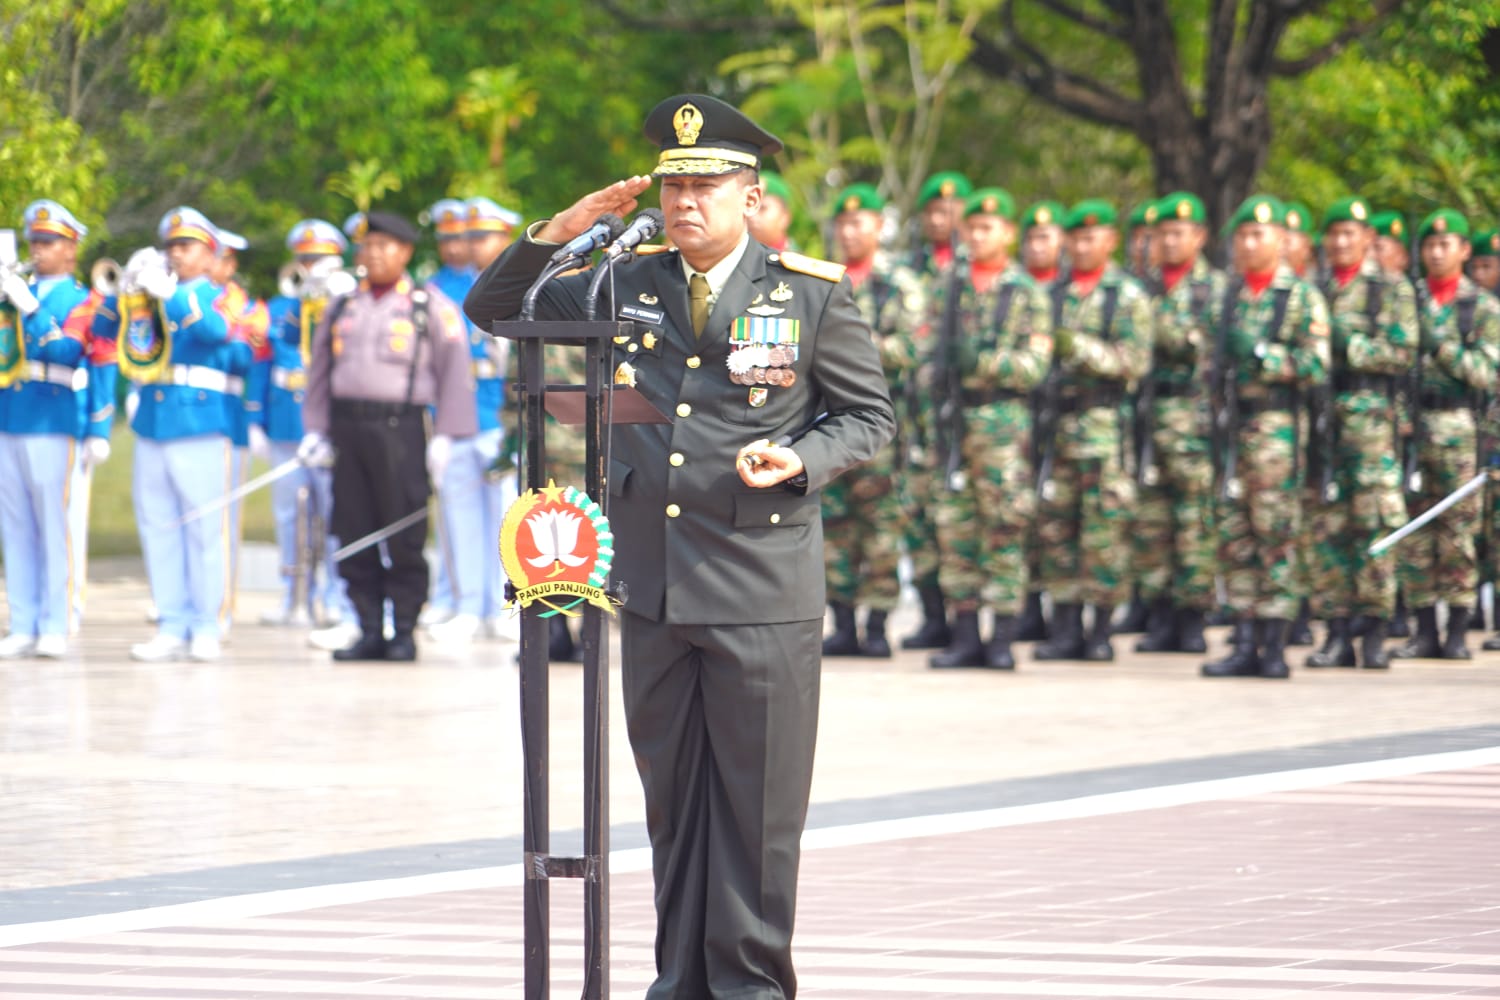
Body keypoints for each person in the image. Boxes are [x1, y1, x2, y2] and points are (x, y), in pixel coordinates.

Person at [463, 93, 895, 1000]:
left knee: (756, 813)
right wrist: (565, 228)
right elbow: (500, 309)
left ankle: (746, 985)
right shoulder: (627, 280)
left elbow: (866, 417)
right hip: (654, 590)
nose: (685, 202)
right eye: (673, 186)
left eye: (706, 184)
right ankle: (680, 983)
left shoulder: (809, 292)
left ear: (752, 195)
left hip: (759, 587)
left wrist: (801, 458)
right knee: (674, 806)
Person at [299, 211, 477, 662]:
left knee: (404, 533)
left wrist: (448, 436)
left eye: (385, 246)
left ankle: (403, 630)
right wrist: (315, 429)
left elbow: (456, 371)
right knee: (353, 529)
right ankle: (367, 628)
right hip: (348, 429)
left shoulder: (427, 305)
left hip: (401, 428)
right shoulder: (343, 305)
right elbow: (320, 371)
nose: (374, 255)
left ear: (405, 252)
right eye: (367, 246)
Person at [100, 207, 237, 662]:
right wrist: (125, 290)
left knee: (203, 529)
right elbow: (103, 332)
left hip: (198, 423)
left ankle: (207, 624)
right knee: (157, 526)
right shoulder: (153, 294)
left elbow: (217, 332)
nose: (176, 254)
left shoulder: (214, 295)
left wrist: (171, 295)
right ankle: (172, 622)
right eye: (171, 246)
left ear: (209, 254)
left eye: (187, 246)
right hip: (155, 423)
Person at [1201, 195, 1330, 680]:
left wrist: (1261, 354)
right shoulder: (1228, 297)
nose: (1249, 244)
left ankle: (1274, 645)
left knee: (1274, 535)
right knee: (1236, 538)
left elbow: (1316, 365)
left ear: (1280, 240)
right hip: (1232, 428)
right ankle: (1245, 639)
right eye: (1242, 237)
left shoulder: (1299, 297)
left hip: (1275, 428)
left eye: (1259, 235)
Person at [926, 187, 1051, 670]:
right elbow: (927, 350)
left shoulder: (1025, 292)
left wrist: (982, 361)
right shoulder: (949, 286)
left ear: (1008, 234)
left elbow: (1035, 365)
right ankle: (963, 634)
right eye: (971, 229)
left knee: (1003, 526)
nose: (978, 237)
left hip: (1004, 423)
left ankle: (1001, 635)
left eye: (988, 229)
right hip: (954, 422)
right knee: (955, 527)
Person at [1031, 199, 1152, 662]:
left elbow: (1133, 361)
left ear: (1110, 240)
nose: (1082, 245)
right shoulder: (1053, 295)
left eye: (1091, 237)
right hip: (1056, 427)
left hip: (1105, 430)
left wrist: (1078, 348)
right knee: (1058, 530)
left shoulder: (1127, 296)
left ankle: (1099, 630)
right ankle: (1064, 628)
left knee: (1104, 532)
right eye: (1075, 238)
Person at [1301, 197, 1418, 670]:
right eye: (1335, 234)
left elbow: (1403, 352)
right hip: (1324, 419)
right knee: (1328, 527)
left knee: (1373, 523)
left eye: (1352, 233)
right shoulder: (1316, 289)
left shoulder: (1389, 289)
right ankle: (1335, 630)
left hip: (1371, 422)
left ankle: (1372, 631)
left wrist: (1351, 348)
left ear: (1369, 239)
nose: (1342, 242)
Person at [818, 183, 924, 658]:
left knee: (881, 526)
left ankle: (878, 624)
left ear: (880, 227)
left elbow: (912, 348)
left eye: (859, 222)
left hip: (882, 421)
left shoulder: (901, 285)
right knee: (834, 526)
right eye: (842, 223)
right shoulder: (820, 278)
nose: (849, 231)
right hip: (824, 419)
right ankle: (842, 622)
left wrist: (847, 353)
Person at [1392, 208, 1500, 660]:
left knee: (1457, 532)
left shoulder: (1481, 306)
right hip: (1411, 428)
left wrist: (1442, 346)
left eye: (1445, 245)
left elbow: (1487, 372)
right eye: (1429, 246)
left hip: (1460, 428)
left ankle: (1456, 630)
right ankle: (1423, 630)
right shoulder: (1407, 299)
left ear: (1462, 250)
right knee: (1416, 533)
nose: (1436, 253)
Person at [0, 200, 102, 659]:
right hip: (10, 414)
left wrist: (31, 308)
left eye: (49, 242)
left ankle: (56, 622)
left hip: (50, 416)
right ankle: (22, 622)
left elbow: (67, 353)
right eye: (34, 241)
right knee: (16, 525)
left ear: (71, 248)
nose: (38, 249)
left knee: (52, 523)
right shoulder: (11, 291)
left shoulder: (82, 299)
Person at [1129, 192, 1228, 655]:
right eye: (1160, 235)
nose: (1167, 242)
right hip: (1149, 417)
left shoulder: (1215, 290)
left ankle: (1193, 617)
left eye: (1177, 234)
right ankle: (1161, 613)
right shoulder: (1141, 288)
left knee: (1193, 522)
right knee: (1153, 523)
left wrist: (1156, 331)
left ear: (1199, 237)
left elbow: (1204, 346)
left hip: (1193, 418)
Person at [425, 197, 523, 644]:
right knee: (460, 518)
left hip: (502, 417)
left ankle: (506, 605)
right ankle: (467, 606)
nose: (472, 244)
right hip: (459, 414)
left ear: (505, 238)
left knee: (507, 518)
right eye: (468, 236)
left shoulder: (524, 283)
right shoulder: (439, 288)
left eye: (482, 236)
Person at [254, 219, 358, 635]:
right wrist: (253, 420)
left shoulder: (348, 305)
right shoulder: (281, 310)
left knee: (335, 516)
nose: (310, 267)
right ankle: (292, 595)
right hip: (284, 424)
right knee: (288, 516)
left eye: (319, 260)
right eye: (304, 259)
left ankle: (336, 596)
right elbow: (263, 367)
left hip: (331, 429)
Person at [899, 170, 974, 650]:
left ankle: (970, 617)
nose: (941, 218)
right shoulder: (908, 270)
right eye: (933, 211)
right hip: (913, 408)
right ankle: (932, 614)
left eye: (951, 209)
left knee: (963, 515)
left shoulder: (977, 273)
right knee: (917, 510)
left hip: (966, 413)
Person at [748, 169, 796, 251]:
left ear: (785, 217)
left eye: (762, 208)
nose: (752, 216)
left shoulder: (796, 261)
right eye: (749, 207)